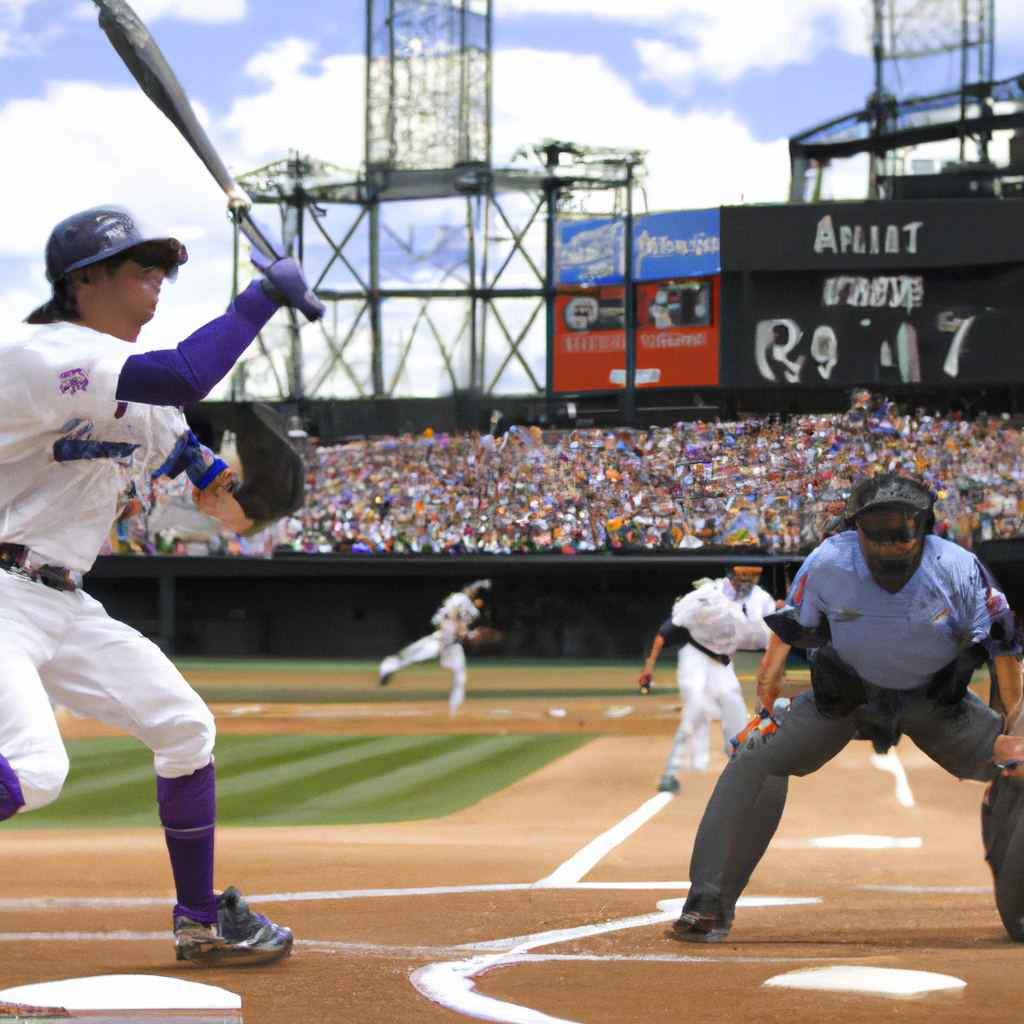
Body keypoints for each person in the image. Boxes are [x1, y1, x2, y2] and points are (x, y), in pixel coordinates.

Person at [0, 206, 323, 965]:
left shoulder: (149, 409)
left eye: (162, 274)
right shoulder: (37, 355)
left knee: (184, 730)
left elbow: (223, 508)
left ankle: (200, 922)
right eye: (140, 271)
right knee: (38, 770)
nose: (156, 288)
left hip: (63, 602)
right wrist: (258, 302)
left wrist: (266, 495)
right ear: (83, 281)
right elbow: (183, 369)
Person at [671, 473, 1022, 944]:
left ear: (923, 523)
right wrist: (767, 688)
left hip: (936, 704)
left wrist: (1013, 732)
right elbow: (793, 626)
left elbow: (1002, 646)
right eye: (876, 525)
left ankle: (1020, 910)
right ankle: (708, 903)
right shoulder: (828, 562)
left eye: (901, 525)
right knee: (755, 756)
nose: (890, 540)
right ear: (855, 526)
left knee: (1017, 766)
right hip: (847, 699)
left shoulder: (959, 568)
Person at [638, 567, 778, 793]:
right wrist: (649, 666)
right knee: (695, 709)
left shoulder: (761, 600)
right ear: (731, 576)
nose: (747, 580)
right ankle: (670, 773)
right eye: (742, 575)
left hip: (722, 665)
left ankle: (743, 773)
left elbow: (773, 632)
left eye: (752, 575)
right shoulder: (709, 594)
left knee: (736, 713)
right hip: (696, 659)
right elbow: (669, 627)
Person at [379, 580, 491, 715]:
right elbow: (453, 614)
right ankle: (387, 669)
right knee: (411, 656)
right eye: (470, 589)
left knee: (460, 677)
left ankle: (454, 712)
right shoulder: (460, 598)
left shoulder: (473, 610)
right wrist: (480, 583)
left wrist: (468, 634)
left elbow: (463, 627)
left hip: (452, 645)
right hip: (441, 638)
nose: (471, 591)